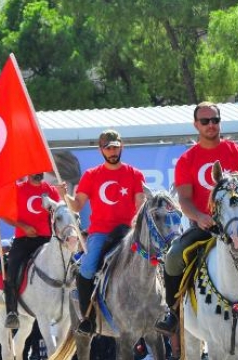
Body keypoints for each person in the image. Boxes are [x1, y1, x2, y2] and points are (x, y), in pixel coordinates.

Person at [154, 101, 238, 336]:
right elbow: (185, 200)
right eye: (205, 121)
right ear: (196, 124)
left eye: (215, 120)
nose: (211, 125)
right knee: (173, 258)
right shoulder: (187, 159)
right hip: (205, 227)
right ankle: (174, 312)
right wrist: (199, 217)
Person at [58, 129, 146, 335]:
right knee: (87, 269)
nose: (113, 151)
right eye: (108, 148)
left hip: (128, 232)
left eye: (115, 147)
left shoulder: (135, 174)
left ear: (121, 146)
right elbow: (77, 206)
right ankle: (87, 318)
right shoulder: (91, 175)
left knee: (152, 262)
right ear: (101, 150)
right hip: (100, 233)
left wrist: (136, 220)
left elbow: (141, 202)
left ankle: (159, 309)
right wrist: (64, 196)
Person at [2, 172, 60, 329]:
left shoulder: (52, 190)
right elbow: (4, 215)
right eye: (34, 171)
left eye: (40, 171)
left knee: (69, 266)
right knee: (11, 270)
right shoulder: (17, 189)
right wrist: (23, 227)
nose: (37, 174)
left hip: (47, 240)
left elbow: (60, 214)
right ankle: (12, 312)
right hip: (24, 240)